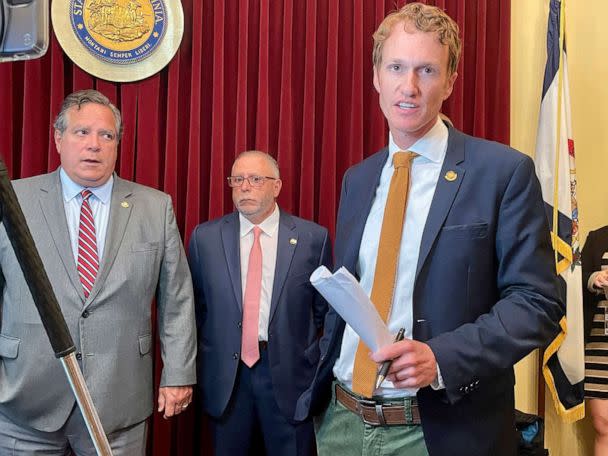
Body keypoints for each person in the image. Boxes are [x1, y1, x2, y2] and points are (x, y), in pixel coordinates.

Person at [306, 3, 564, 456]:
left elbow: (538, 302)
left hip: (437, 431)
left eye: (426, 70)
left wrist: (442, 359)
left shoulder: (502, 173)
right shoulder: (358, 178)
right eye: (397, 67)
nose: (409, 87)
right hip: (341, 424)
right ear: (376, 77)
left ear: (449, 80)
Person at [0, 89, 196, 455]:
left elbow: (178, 298)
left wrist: (179, 373)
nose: (94, 145)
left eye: (106, 135)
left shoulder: (155, 207)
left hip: (118, 403)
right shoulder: (13, 199)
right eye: (81, 132)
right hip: (24, 401)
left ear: (118, 144)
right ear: (58, 138)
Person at [188, 150, 331, 455]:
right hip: (227, 379)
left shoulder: (312, 238)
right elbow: (196, 310)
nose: (244, 187)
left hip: (290, 378)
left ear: (276, 186)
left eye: (255, 179)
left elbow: (324, 314)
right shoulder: (205, 238)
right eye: (237, 179)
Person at [582, 226, 608, 455]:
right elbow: (573, 279)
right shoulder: (597, 238)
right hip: (600, 345)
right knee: (603, 425)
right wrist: (594, 278)